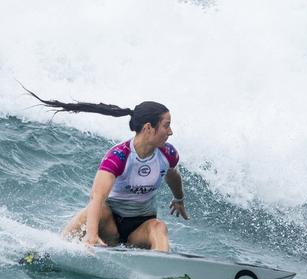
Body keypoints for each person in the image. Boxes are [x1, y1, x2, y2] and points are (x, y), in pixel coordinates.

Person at [24, 87, 189, 252]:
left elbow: (172, 175)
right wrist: (92, 234)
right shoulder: (119, 156)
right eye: (166, 126)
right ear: (148, 128)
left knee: (159, 227)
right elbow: (97, 197)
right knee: (91, 212)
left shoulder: (167, 154)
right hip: (111, 226)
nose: (170, 132)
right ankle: (51, 251)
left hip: (140, 228)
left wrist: (179, 199)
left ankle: (161, 268)